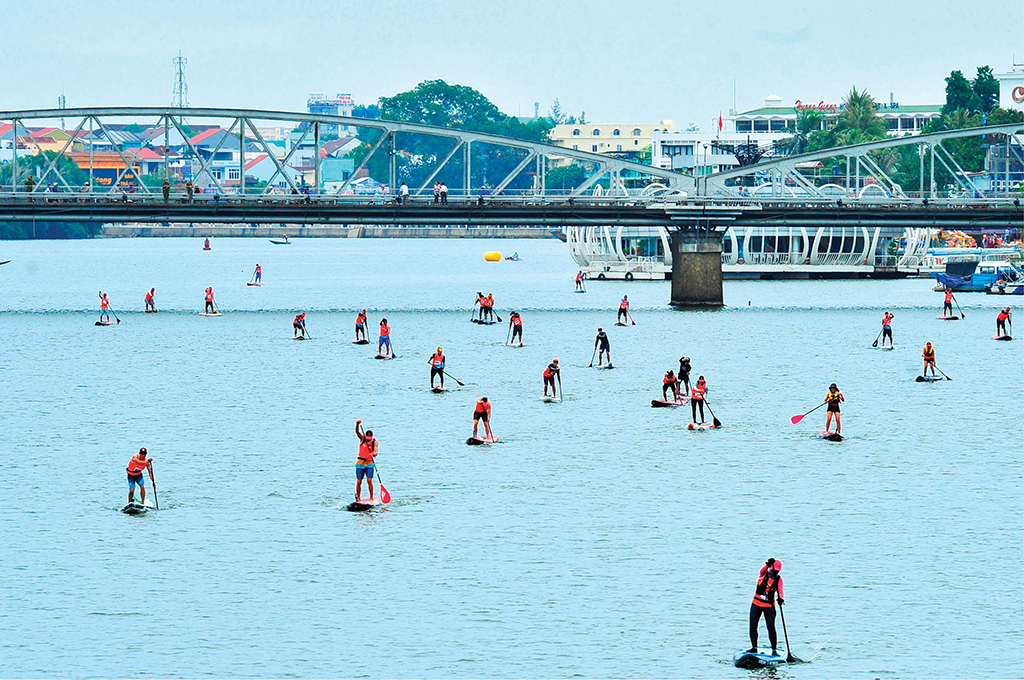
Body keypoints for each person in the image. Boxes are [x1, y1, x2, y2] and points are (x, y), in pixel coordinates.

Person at [747, 558, 785, 656]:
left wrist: (780, 598)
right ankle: (754, 648)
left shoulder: (778, 579)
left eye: (776, 572)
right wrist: (768, 565)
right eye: (773, 571)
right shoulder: (763, 574)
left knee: (771, 627)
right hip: (756, 604)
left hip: (769, 606)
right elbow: (762, 570)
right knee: (753, 626)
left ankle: (774, 650)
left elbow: (780, 591)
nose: (774, 573)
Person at [354, 420, 378, 502]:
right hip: (360, 463)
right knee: (359, 481)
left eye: (369, 438)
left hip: (369, 464)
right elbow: (357, 432)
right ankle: (359, 498)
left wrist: (374, 454)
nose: (367, 440)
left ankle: (371, 498)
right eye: (367, 438)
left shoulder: (374, 442)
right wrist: (357, 424)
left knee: (369, 480)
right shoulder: (362, 439)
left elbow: (376, 451)